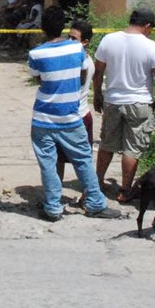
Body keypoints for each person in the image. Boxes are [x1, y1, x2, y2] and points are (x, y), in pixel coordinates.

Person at [28, 7, 122, 222]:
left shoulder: (36, 53)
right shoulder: (76, 49)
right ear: (63, 27)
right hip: (71, 115)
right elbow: (81, 74)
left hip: (42, 117)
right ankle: (95, 203)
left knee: (49, 164)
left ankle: (52, 207)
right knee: (83, 160)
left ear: (43, 27)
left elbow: (39, 79)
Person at [93, 7, 155, 203]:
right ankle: (125, 190)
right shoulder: (150, 46)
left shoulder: (108, 40)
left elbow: (98, 71)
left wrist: (97, 94)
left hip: (113, 100)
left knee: (107, 145)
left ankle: (96, 182)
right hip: (140, 102)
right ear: (147, 26)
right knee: (132, 149)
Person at [59, 19, 96, 188]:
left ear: (85, 42)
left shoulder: (83, 63)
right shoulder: (79, 59)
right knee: (59, 159)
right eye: (68, 37)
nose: (69, 41)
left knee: (82, 161)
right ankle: (56, 193)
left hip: (77, 117)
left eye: (74, 38)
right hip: (75, 115)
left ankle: (88, 196)